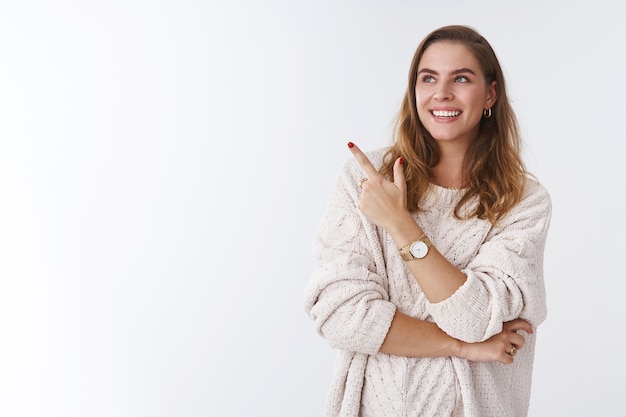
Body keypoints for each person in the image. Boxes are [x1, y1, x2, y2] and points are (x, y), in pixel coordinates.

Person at [304, 25, 551, 417]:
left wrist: (400, 224)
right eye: (429, 78)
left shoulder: (521, 202)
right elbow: (340, 316)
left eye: (462, 78)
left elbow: (474, 318)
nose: (442, 93)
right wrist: (462, 347)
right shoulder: (365, 181)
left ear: (490, 93)